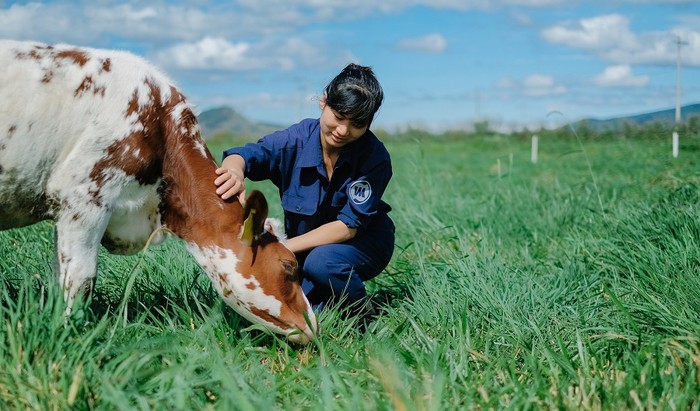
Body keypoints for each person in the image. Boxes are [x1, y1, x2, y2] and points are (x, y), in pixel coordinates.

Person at [214, 63, 394, 317]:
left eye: (357, 124)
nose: (343, 130)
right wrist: (234, 170)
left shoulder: (374, 158)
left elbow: (347, 227)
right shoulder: (295, 140)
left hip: (363, 243)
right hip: (305, 249)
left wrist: (279, 246)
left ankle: (364, 313)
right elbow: (247, 154)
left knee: (323, 264)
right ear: (324, 102)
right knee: (298, 307)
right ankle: (331, 300)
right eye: (339, 117)